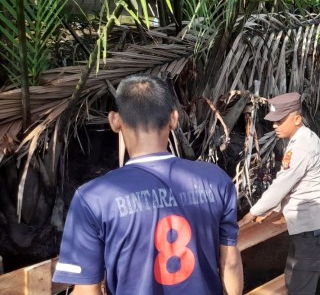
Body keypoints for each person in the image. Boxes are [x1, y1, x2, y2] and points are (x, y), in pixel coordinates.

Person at [52, 75, 243, 294]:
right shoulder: (215, 180)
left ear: (114, 120)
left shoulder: (93, 198)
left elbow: (87, 290)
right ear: (173, 119)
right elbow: (230, 263)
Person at [239, 92, 320, 295]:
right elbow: (293, 184)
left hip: (312, 232)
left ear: (297, 119)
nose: (275, 126)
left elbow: (283, 183)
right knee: (293, 282)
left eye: (280, 121)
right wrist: (274, 208)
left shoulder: (302, 145)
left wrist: (253, 212)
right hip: (306, 230)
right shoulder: (302, 138)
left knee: (300, 290)